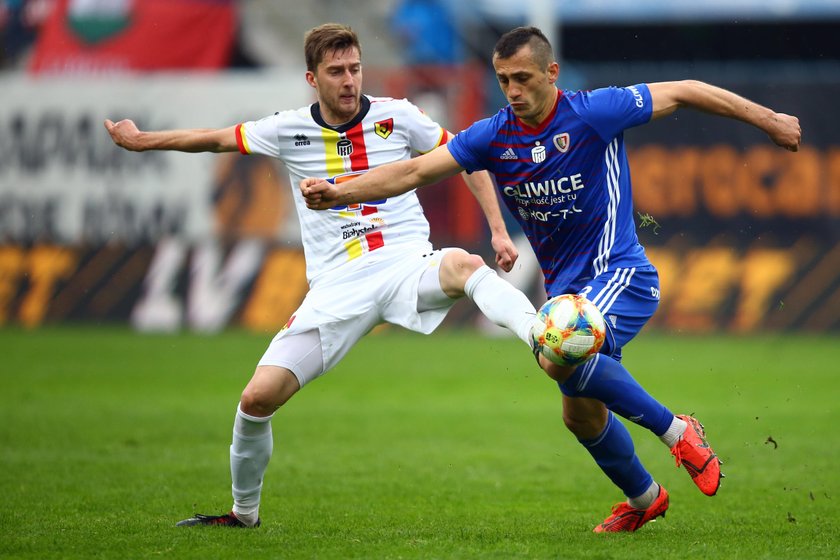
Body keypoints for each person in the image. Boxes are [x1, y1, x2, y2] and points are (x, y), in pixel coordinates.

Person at [301, 26, 802, 533]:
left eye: (523, 78)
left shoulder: (593, 112)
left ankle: (678, 431)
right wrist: (342, 193)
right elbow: (413, 172)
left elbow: (687, 90)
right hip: (570, 293)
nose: (513, 90)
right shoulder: (494, 135)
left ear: (551, 73)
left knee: (555, 349)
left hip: (621, 275)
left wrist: (770, 119)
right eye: (503, 80)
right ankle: (644, 497)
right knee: (580, 416)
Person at [104, 23, 543, 528]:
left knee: (465, 266)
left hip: (405, 263)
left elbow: (469, 158)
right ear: (312, 78)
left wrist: (498, 231)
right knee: (255, 399)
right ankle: (243, 514)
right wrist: (142, 142)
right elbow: (214, 140)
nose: (349, 80)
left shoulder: (399, 117)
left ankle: (540, 335)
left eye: (354, 68)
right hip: (337, 288)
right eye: (336, 71)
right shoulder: (287, 128)